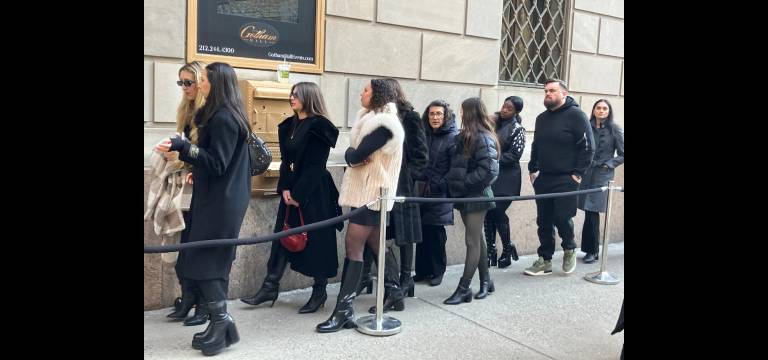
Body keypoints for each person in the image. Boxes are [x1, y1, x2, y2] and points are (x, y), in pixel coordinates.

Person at [155, 62, 250, 356]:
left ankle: (222, 324)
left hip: (220, 203)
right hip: (220, 198)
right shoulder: (224, 114)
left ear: (217, 82)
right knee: (210, 263)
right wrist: (195, 161)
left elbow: (218, 162)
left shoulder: (223, 118)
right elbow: (217, 161)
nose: (201, 82)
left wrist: (184, 147)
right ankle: (222, 327)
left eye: (205, 79)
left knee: (206, 263)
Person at [240, 82, 342, 313]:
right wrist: (285, 188)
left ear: (308, 96)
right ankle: (270, 287)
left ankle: (320, 292)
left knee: (317, 241)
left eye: (296, 94)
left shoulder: (320, 127)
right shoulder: (289, 125)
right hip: (292, 187)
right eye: (291, 94)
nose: (291, 98)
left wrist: (298, 194)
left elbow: (317, 166)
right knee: (283, 236)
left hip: (314, 191)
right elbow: (286, 162)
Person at [316, 79, 403, 333]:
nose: (361, 93)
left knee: (353, 245)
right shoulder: (373, 119)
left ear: (377, 95)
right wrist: (353, 155)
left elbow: (355, 155)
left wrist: (352, 155)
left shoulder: (384, 124)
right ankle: (395, 290)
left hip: (372, 193)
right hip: (370, 191)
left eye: (366, 89)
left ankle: (343, 310)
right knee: (375, 243)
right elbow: (355, 155)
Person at [365, 78, 428, 314]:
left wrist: (405, 178)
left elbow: (421, 156)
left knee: (404, 237)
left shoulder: (409, 117)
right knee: (380, 235)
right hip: (380, 187)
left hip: (401, 187)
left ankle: (403, 280)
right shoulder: (376, 116)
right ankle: (387, 284)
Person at [525, 79, 595, 276]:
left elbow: (588, 147)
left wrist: (577, 174)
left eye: (552, 91)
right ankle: (545, 260)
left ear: (563, 93)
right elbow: (536, 145)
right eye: (546, 91)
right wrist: (533, 170)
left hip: (567, 178)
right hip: (544, 178)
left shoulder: (576, 115)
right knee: (544, 220)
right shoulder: (541, 118)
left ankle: (569, 249)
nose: (547, 94)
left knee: (562, 218)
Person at [164, 61, 210, 327]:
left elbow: (209, 154)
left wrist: (188, 162)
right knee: (185, 245)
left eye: (189, 82)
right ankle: (188, 297)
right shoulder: (186, 110)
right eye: (181, 82)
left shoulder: (208, 113)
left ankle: (204, 303)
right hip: (186, 185)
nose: (185, 88)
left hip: (203, 188)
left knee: (198, 247)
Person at [444, 97, 499, 304]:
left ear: (470, 113)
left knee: (471, 241)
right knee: (478, 239)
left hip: (477, 195)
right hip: (467, 194)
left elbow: (489, 171)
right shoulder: (467, 136)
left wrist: (464, 183)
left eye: (463, 111)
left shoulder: (483, 138)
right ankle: (486, 280)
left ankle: (464, 288)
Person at [414, 100, 459, 286]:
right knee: (421, 233)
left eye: (438, 114)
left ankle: (437, 271)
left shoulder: (453, 137)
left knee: (436, 234)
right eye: (432, 114)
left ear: (445, 115)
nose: (435, 117)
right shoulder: (423, 134)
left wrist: (441, 185)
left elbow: (455, 167)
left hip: (439, 193)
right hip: (421, 190)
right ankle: (422, 271)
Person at [577, 99, 624, 263]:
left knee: (592, 211)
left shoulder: (615, 129)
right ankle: (588, 249)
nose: (601, 111)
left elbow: (623, 153)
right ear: (594, 110)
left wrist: (609, 164)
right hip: (587, 173)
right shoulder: (587, 126)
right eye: (598, 108)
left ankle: (593, 251)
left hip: (603, 176)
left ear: (609, 111)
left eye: (605, 108)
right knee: (588, 211)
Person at [485, 96, 525, 269]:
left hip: (508, 177)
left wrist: (494, 158)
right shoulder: (493, 123)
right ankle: (490, 251)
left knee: (499, 211)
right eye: (504, 106)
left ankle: (507, 249)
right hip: (491, 176)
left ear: (516, 111)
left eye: (509, 108)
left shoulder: (518, 129)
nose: (505, 109)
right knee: (488, 213)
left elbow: (515, 155)